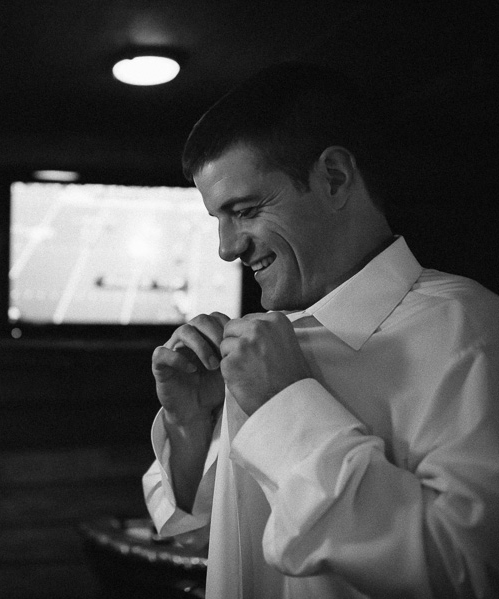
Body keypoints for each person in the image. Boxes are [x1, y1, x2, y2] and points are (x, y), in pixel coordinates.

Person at [142, 62, 499, 598]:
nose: (227, 248)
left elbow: (468, 572)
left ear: (333, 178)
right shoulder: (264, 343)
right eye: (219, 219)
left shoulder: (468, 329)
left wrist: (287, 403)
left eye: (246, 210)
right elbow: (201, 534)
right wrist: (191, 425)